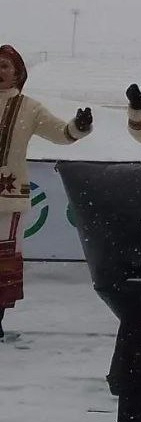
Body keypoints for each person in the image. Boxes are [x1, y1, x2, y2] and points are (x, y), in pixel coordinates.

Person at [0, 44, 93, 337]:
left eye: (4, 65)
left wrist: (78, 127)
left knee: (3, 259)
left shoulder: (29, 108)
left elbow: (60, 133)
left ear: (18, 73)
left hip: (9, 198)